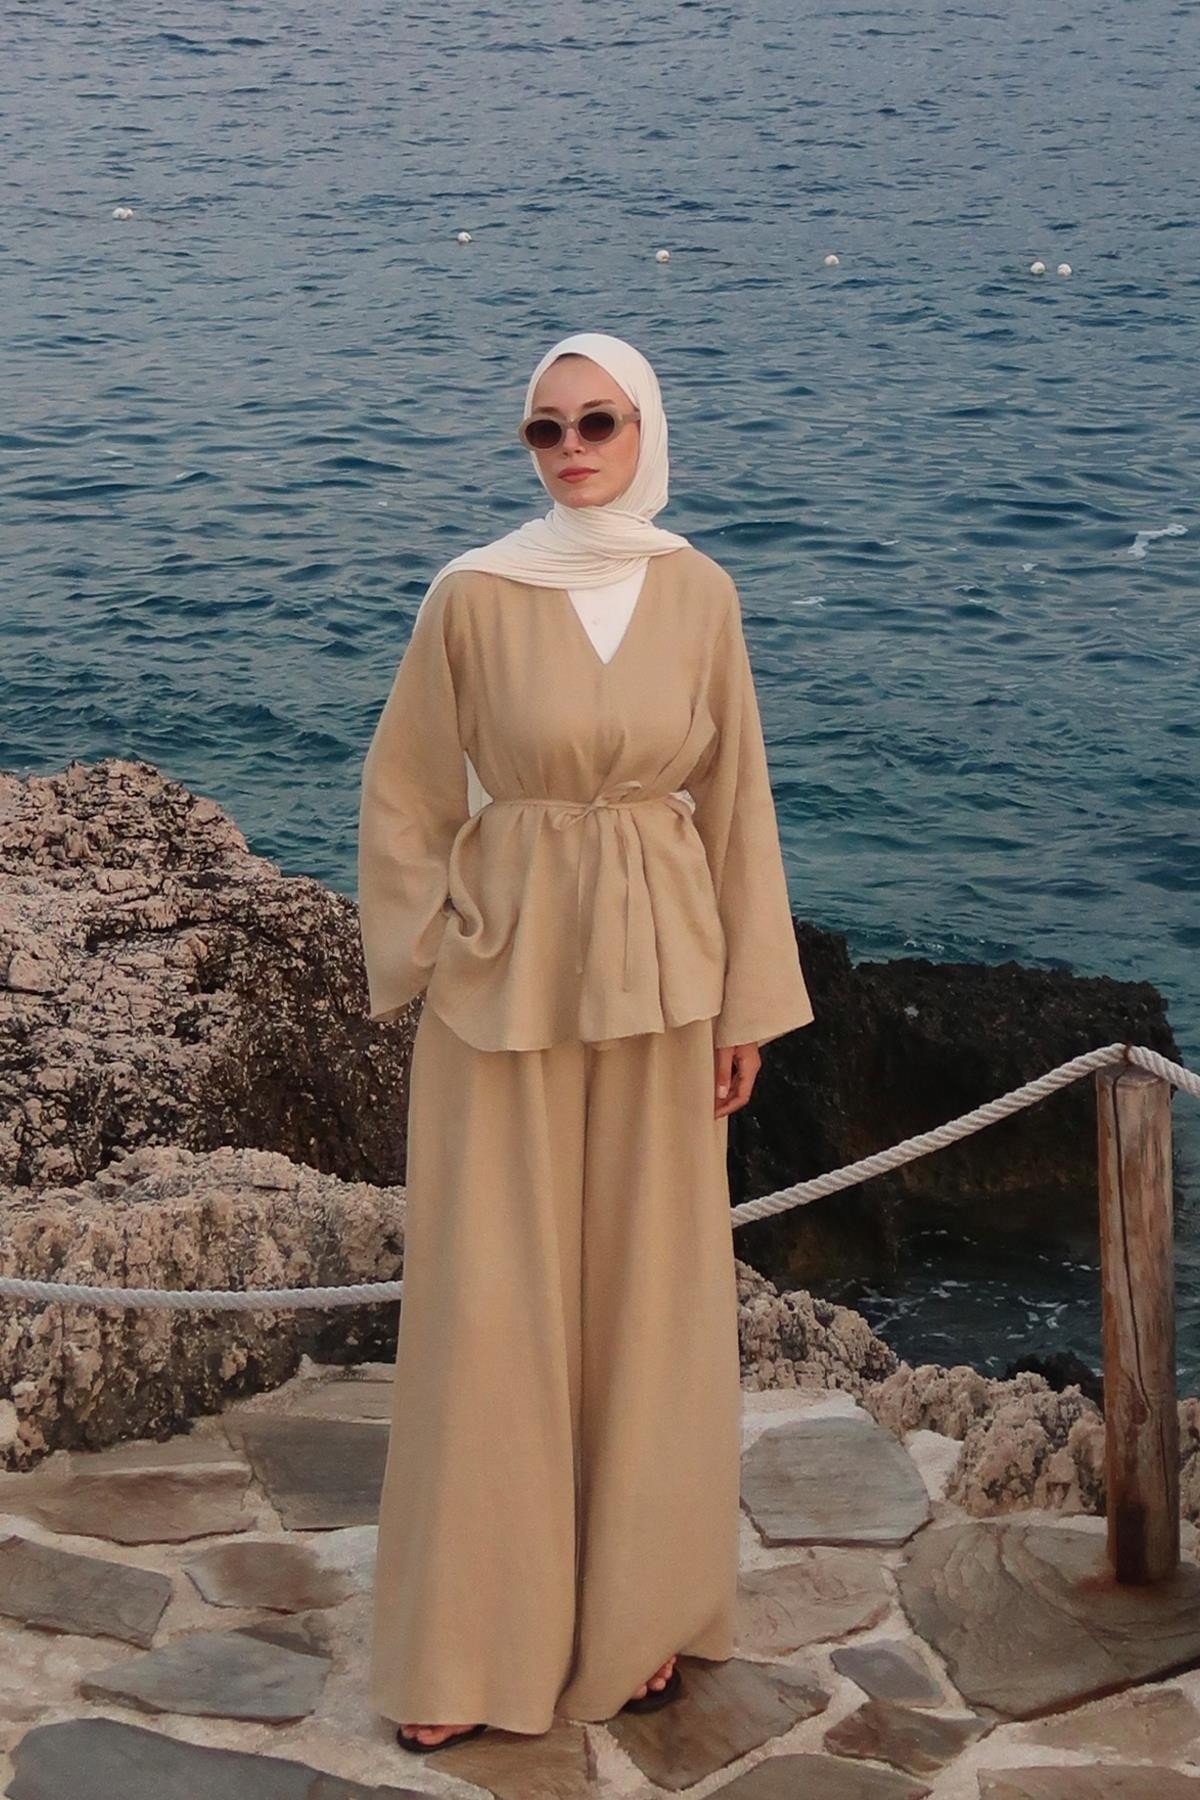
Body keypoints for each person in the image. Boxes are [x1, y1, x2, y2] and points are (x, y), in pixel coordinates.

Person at [356, 330, 815, 1754]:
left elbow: (737, 801)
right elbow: (406, 793)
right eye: (544, 429)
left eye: (597, 423)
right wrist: (439, 948)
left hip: (666, 981)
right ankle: (466, 1652)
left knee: (649, 1301)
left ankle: (636, 1618)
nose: (570, 451)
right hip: (504, 984)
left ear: (643, 430)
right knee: (490, 1305)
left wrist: (747, 1006)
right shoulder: (474, 594)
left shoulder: (701, 593)